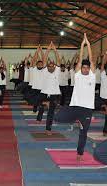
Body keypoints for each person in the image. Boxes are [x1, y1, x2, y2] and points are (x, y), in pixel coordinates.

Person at [54, 33, 95, 161]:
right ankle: (73, 117)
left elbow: (91, 59)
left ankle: (80, 153)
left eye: (87, 68)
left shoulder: (92, 76)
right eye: (84, 67)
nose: (86, 69)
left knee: (83, 133)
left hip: (87, 109)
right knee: (57, 117)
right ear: (80, 68)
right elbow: (80, 59)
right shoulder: (77, 75)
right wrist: (82, 45)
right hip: (75, 107)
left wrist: (88, 44)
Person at [36, 42, 61, 135]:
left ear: (54, 67)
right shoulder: (44, 71)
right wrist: (48, 50)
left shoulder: (57, 71)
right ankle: (44, 103)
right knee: (35, 102)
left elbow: (58, 60)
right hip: (44, 93)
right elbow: (44, 59)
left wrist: (55, 50)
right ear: (47, 67)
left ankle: (48, 129)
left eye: (52, 66)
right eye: (49, 66)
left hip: (54, 95)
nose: (51, 67)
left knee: (51, 112)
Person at [99, 52, 107, 136]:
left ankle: (105, 131)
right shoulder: (103, 75)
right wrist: (105, 56)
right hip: (104, 98)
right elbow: (102, 65)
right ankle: (105, 131)